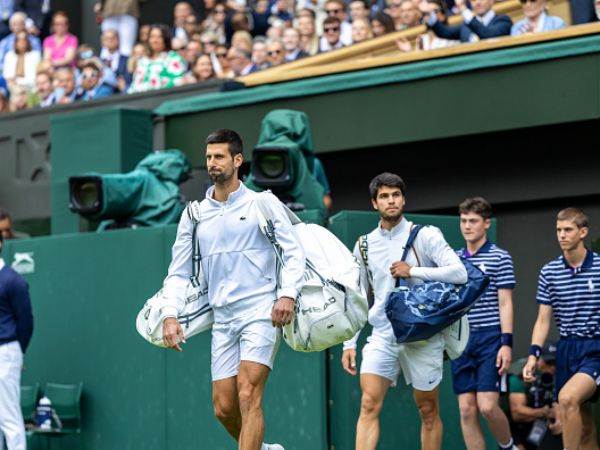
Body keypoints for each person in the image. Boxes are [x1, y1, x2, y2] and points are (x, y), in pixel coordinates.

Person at [161, 129, 305, 450]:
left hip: (261, 313)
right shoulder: (194, 214)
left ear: (237, 160)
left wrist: (288, 294)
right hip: (222, 320)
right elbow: (179, 271)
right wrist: (170, 314)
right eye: (209, 157)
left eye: (219, 157)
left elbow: (294, 253)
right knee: (224, 408)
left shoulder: (263, 203)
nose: (212, 163)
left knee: (248, 394)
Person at [341, 172, 468, 450]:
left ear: (403, 198)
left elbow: (460, 273)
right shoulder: (363, 245)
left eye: (396, 195)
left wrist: (414, 271)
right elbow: (358, 295)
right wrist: (349, 342)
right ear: (374, 203)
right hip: (383, 334)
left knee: (428, 411)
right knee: (368, 404)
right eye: (384, 196)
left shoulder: (426, 236)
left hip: (422, 335)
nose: (391, 201)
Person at [523, 207, 600, 450]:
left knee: (567, 399)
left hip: (595, 348)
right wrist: (533, 355)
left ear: (583, 232)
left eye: (568, 230)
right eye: (558, 230)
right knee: (585, 426)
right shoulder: (549, 271)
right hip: (567, 349)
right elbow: (543, 320)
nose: (562, 235)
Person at [452, 197, 519, 450]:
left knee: (488, 406)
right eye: (463, 221)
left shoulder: (501, 257)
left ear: (486, 223)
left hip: (491, 339)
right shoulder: (453, 258)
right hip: (461, 340)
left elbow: (505, 303)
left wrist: (506, 344)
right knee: (467, 411)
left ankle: (509, 446)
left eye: (473, 221)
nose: (467, 226)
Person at [0, 218, 34, 450]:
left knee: (9, 416)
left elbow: (26, 322)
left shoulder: (13, 281)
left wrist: (17, 352)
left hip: (7, 351)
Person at [506, 343, 562, 450]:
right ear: (539, 359)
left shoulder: (562, 375)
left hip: (548, 429)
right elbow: (517, 413)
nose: (552, 367)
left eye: (555, 363)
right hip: (518, 429)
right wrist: (543, 412)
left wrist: (559, 416)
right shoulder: (522, 374)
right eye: (548, 362)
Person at [128, 24, 187, 93]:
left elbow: (178, 81)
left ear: (165, 39)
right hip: (141, 101)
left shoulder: (173, 58)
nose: (155, 40)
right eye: (152, 37)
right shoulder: (142, 61)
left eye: (159, 37)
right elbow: (134, 86)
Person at [428, 0, 512, 43]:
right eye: (474, 0)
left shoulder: (503, 20)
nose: (478, 2)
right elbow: (444, 32)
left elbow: (488, 35)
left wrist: (464, 10)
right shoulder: (466, 26)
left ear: (492, 1)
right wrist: (428, 13)